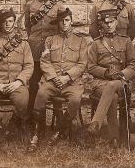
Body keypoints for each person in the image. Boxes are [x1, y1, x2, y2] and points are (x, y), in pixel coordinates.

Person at [26, 8, 89, 153]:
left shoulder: (81, 41)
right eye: (61, 21)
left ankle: (61, 130)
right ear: (58, 23)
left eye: (67, 20)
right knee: (41, 94)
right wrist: (54, 77)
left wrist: (66, 77)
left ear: (71, 21)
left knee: (74, 100)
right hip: (52, 81)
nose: (64, 23)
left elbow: (82, 64)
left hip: (72, 82)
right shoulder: (50, 40)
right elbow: (44, 61)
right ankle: (36, 133)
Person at [0, 8, 33, 157]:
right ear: (1, 24)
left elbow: (29, 66)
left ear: (15, 23)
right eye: (5, 22)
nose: (8, 24)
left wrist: (19, 81)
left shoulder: (23, 44)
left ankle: (12, 125)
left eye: (10, 21)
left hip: (16, 84)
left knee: (22, 100)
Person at [87, 9, 135, 147]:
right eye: (106, 22)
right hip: (101, 83)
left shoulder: (126, 41)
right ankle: (114, 138)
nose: (109, 25)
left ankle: (96, 122)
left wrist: (122, 74)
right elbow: (91, 67)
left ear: (116, 22)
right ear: (101, 25)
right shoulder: (96, 43)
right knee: (113, 97)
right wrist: (105, 73)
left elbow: (134, 65)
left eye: (112, 22)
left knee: (112, 86)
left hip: (121, 82)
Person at [24, 0, 66, 118]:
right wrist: (34, 41)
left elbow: (63, 26)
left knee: (54, 82)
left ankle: (59, 120)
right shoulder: (30, 5)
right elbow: (28, 26)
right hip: (35, 49)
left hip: (52, 50)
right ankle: (32, 118)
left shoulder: (58, 5)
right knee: (34, 83)